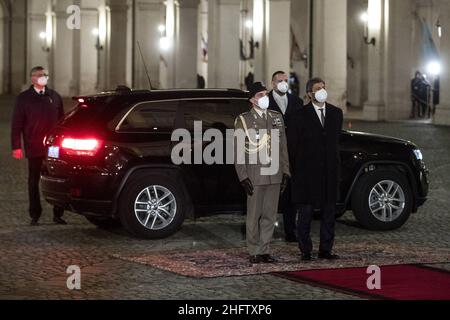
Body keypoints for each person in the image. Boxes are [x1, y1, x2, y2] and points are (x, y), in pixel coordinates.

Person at [287, 77, 343, 261]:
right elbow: (292, 146)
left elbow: (335, 142)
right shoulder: (299, 115)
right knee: (306, 214)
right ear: (310, 93)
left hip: (329, 172)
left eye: (324, 87)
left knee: (329, 214)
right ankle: (305, 249)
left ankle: (326, 249)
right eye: (318, 88)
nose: (322, 91)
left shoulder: (336, 113)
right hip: (307, 173)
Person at [234, 82, 290, 264]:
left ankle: (265, 249)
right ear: (252, 99)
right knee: (254, 215)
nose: (264, 97)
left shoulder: (276, 117)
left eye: (266, 93)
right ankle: (254, 250)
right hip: (255, 175)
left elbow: (283, 147)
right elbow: (238, 151)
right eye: (260, 94)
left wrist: (286, 171)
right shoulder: (243, 120)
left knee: (270, 215)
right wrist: (243, 176)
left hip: (274, 174)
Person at [11, 66, 66, 226]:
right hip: (33, 145)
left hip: (53, 148)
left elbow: (62, 121)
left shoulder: (55, 96)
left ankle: (58, 213)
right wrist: (16, 146)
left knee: (57, 178)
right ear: (32, 78)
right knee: (33, 181)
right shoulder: (24, 98)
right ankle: (35, 214)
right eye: (40, 75)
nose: (43, 77)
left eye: (45, 75)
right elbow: (17, 124)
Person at [268, 71, 303, 243]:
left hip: (293, 154)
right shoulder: (265, 101)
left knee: (291, 195)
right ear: (273, 83)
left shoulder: (297, 102)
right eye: (279, 81)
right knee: (271, 193)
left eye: (285, 80)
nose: (283, 83)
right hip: (271, 153)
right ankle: (265, 231)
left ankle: (291, 230)